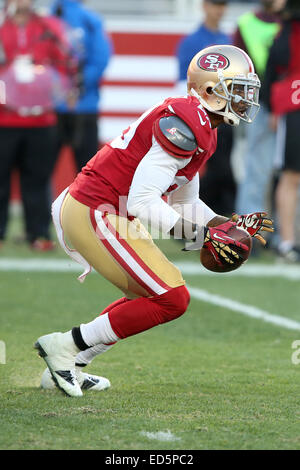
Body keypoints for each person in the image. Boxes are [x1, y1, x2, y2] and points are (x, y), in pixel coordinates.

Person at [35, 44, 274, 397]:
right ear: (211, 90)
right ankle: (65, 346)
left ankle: (69, 362)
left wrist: (229, 227)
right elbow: (144, 201)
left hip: (109, 210)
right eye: (238, 89)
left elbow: (184, 201)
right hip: (97, 209)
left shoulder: (201, 123)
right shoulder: (186, 122)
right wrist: (204, 237)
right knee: (172, 298)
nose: (245, 99)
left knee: (152, 296)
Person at [0, 0, 75, 250]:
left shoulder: (50, 26)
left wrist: (52, 85)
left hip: (41, 118)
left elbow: (66, 63)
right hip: (4, 118)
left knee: (38, 178)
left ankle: (39, 234)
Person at [177, 0, 235, 216]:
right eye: (215, 4)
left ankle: (212, 214)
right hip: (200, 114)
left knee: (223, 164)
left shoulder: (227, 41)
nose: (219, 10)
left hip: (225, 113)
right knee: (209, 167)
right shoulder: (192, 42)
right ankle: (209, 213)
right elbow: (183, 79)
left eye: (222, 5)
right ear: (204, 6)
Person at [234, 0, 285, 236]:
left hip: (288, 103)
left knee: (289, 174)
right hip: (261, 105)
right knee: (257, 170)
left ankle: (287, 235)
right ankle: (250, 232)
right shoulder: (246, 23)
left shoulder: (290, 22)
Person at [51, 0, 112, 172]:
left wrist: (59, 88)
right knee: (88, 174)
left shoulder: (47, 18)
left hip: (51, 108)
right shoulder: (91, 20)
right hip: (84, 106)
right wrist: (77, 86)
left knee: (39, 175)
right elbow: (101, 59)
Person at [263, 0, 300, 262]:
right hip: (293, 105)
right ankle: (287, 241)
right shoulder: (286, 30)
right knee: (290, 175)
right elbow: (276, 64)